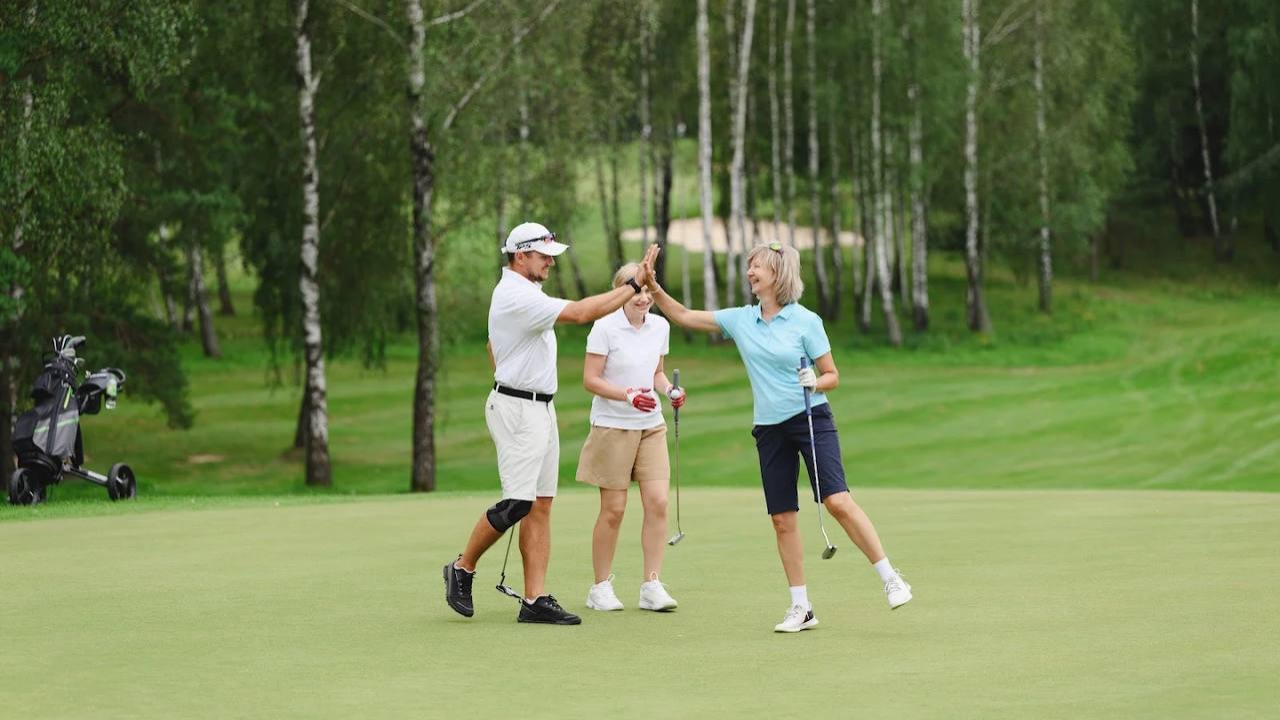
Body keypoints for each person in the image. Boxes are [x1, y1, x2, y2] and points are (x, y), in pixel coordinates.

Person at [643, 241, 913, 633]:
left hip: (811, 418)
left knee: (837, 501)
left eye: (757, 266)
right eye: (749, 266)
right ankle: (801, 607)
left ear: (777, 274)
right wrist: (653, 286)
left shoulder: (806, 321)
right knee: (782, 519)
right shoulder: (741, 319)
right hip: (769, 428)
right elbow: (683, 315)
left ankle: (890, 578)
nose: (750, 272)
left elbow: (833, 375)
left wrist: (815, 381)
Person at [443, 223, 660, 625]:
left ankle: (534, 599)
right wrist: (633, 284)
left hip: (540, 407)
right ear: (520, 256)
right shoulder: (515, 294)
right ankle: (462, 567)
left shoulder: (529, 292)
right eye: (543, 256)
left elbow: (493, 345)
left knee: (541, 504)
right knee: (519, 503)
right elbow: (580, 313)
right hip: (517, 408)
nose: (550, 263)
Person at [576, 262, 686, 613]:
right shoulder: (604, 327)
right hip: (612, 425)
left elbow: (656, 373)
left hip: (651, 424)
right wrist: (627, 395)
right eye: (636, 290)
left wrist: (669, 391)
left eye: (647, 291)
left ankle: (651, 585)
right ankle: (600, 587)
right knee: (614, 509)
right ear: (621, 291)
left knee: (658, 502)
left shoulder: (660, 326)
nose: (643, 298)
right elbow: (591, 380)